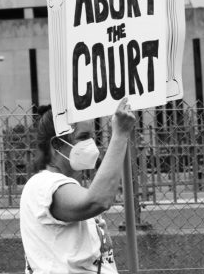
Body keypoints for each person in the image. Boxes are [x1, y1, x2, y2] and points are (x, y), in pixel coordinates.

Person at [20, 98, 135, 273]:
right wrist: (119, 135)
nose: (90, 144)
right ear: (57, 145)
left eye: (91, 136)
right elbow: (97, 201)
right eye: (82, 137)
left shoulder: (65, 184)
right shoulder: (42, 185)